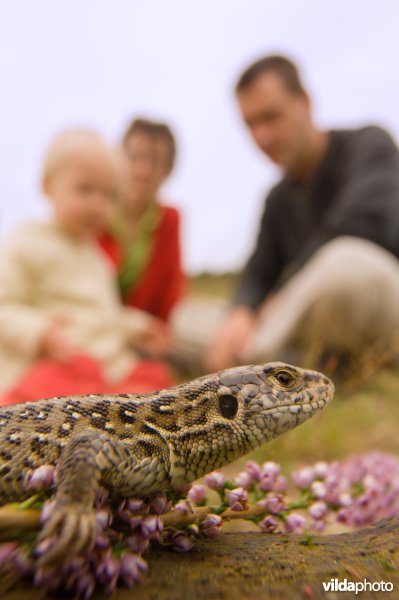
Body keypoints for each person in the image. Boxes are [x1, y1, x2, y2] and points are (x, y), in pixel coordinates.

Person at [205, 55, 399, 373]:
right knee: (193, 317)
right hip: (307, 323)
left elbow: (362, 226)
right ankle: (297, 365)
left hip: (376, 300)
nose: (262, 137)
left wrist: (281, 296)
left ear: (305, 101)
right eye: (251, 124)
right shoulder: (276, 198)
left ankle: (253, 364)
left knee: (345, 262)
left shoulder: (370, 144)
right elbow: (258, 272)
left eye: (271, 117)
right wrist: (242, 311)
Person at [0, 129, 174, 404]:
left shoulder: (97, 257)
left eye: (109, 195)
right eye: (85, 190)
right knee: (50, 385)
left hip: (104, 363)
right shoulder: (26, 242)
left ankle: (115, 405)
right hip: (52, 362)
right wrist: (40, 333)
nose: (97, 205)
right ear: (47, 185)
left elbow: (104, 315)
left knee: (154, 377)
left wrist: (137, 327)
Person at [99, 118, 185, 322]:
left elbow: (172, 295)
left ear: (169, 169)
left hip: (143, 334)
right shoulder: (95, 213)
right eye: (135, 157)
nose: (142, 170)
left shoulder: (169, 220)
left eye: (155, 160)